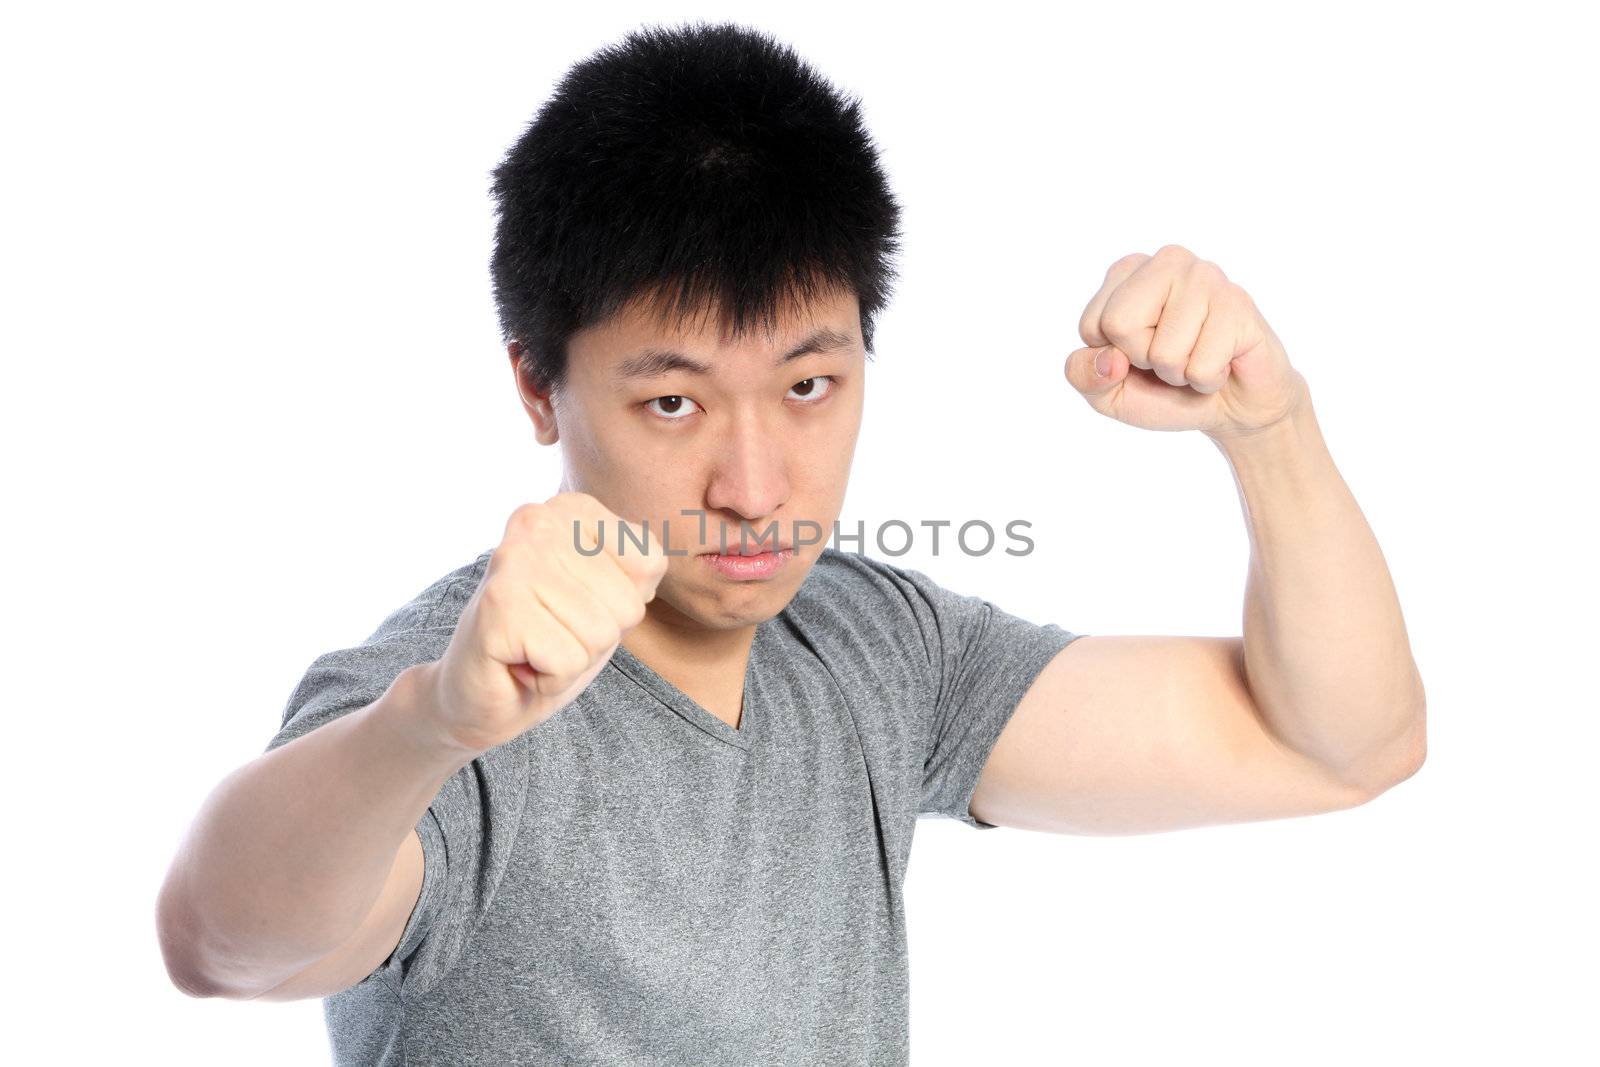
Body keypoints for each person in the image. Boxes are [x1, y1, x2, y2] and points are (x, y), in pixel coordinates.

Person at [155, 19, 1427, 1066]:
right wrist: (428, 724)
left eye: (809, 387)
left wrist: (1271, 429)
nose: (757, 488)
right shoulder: (457, 689)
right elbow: (223, 945)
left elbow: (1339, 743)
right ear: (538, 387)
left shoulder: (874, 649)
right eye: (672, 402)